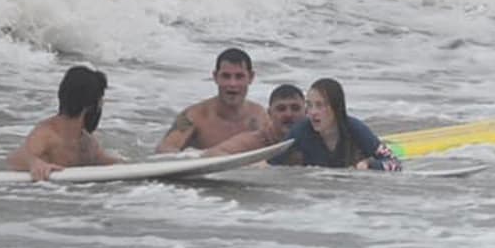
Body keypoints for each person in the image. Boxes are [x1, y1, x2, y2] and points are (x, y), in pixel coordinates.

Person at [7, 65, 122, 181]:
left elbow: (109, 163)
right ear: (91, 106)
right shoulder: (46, 135)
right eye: (101, 101)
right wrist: (34, 163)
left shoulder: (87, 142)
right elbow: (15, 158)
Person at [270, 77, 402, 171]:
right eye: (309, 106)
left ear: (336, 108)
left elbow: (396, 164)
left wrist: (370, 166)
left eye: (320, 105)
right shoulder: (300, 131)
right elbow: (270, 164)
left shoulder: (355, 129)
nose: (313, 112)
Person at [155, 47, 271, 153]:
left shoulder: (260, 115)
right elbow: (164, 149)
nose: (232, 83)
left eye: (239, 76)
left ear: (251, 77)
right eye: (226, 76)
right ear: (215, 77)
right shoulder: (193, 116)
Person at [203, 83, 306, 157]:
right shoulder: (259, 140)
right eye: (281, 109)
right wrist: (252, 166)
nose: (288, 114)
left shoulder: (315, 137)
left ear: (306, 112)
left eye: (295, 108)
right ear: (269, 114)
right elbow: (211, 154)